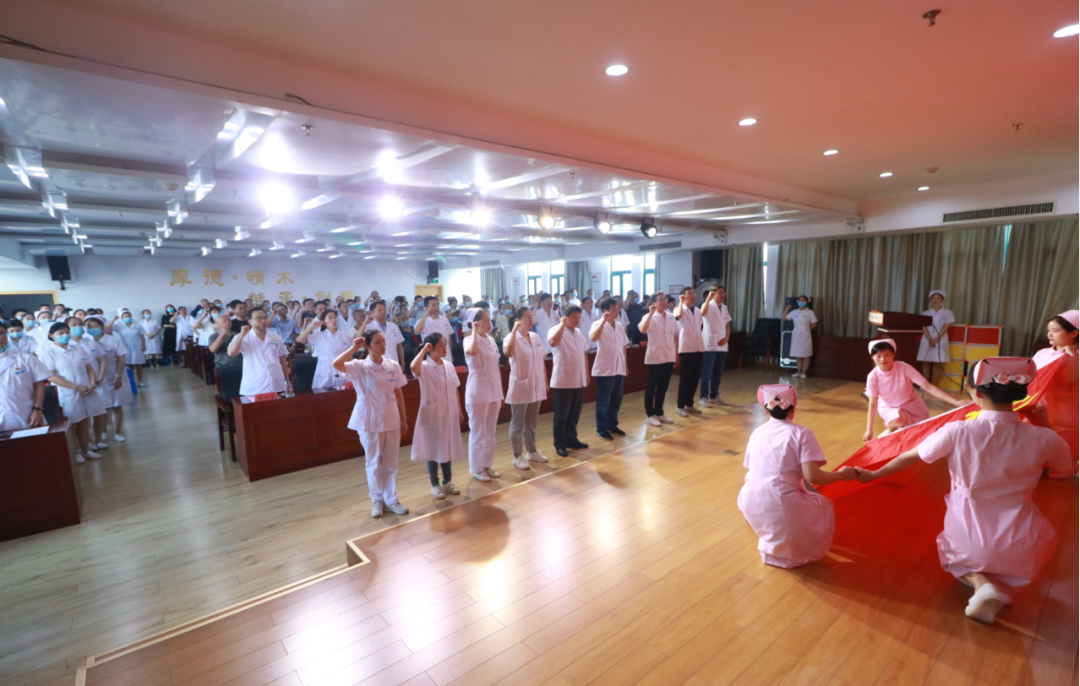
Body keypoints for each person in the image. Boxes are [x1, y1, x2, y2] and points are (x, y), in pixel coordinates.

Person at [855, 358, 1076, 623]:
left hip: (969, 532)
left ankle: (982, 583)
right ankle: (997, 585)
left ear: (975, 393)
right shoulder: (1042, 437)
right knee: (1002, 562)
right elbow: (1065, 467)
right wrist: (1044, 424)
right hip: (1025, 542)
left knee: (953, 553)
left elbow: (911, 455)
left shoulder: (958, 430)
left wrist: (875, 474)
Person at [738, 384, 856, 568]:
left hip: (748, 498)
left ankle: (768, 530)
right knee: (823, 505)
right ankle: (794, 543)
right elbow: (813, 477)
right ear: (793, 410)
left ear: (766, 410)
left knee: (778, 510)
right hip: (779, 499)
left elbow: (752, 467)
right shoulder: (802, 433)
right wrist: (842, 475)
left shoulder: (757, 432)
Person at [332, 329, 410, 518]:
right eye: (377, 342)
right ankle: (377, 500)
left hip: (391, 417)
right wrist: (354, 348)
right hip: (369, 419)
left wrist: (404, 418)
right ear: (367, 345)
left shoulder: (392, 365)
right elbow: (336, 364)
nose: (383, 345)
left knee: (390, 462)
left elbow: (398, 393)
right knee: (374, 461)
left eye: (383, 341)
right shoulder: (359, 366)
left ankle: (391, 499)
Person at [863, 339, 967, 441]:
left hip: (912, 404)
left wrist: (956, 402)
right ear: (872, 357)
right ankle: (890, 429)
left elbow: (928, 387)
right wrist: (869, 429)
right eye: (878, 356)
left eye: (887, 355)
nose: (882, 359)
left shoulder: (904, 368)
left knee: (920, 435)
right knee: (899, 419)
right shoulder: (873, 376)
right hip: (889, 406)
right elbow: (873, 403)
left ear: (893, 355)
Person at [39, 322, 103, 464]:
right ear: (51, 335)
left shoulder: (78, 348)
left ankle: (86, 450)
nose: (65, 335)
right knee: (71, 424)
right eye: (60, 333)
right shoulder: (48, 353)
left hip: (87, 389)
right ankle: (76, 452)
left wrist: (92, 384)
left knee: (84, 421)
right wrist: (76, 387)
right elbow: (51, 376)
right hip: (67, 393)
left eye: (67, 332)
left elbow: (89, 368)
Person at [410, 333, 464, 499]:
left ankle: (447, 481)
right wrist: (423, 351)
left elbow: (455, 389)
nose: (444, 347)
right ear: (431, 347)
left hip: (449, 412)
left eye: (445, 344)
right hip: (433, 413)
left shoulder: (448, 365)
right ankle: (435, 484)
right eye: (441, 345)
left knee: (447, 446)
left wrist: (459, 410)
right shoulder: (425, 366)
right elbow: (413, 367)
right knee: (433, 449)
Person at [1027, 310, 1079, 459]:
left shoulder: (1077, 355)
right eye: (1048, 331)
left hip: (1066, 411)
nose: (1050, 335)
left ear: (1073, 333)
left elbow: (1072, 379)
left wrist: (1073, 355)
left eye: (1055, 331)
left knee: (1062, 446)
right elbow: (1030, 375)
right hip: (1039, 403)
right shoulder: (1043, 353)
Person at [504, 307, 549, 470]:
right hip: (520, 386)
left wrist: (544, 380)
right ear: (517, 320)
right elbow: (508, 353)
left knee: (531, 422)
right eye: (526, 317)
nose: (531, 320)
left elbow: (541, 359)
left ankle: (532, 451)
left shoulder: (535, 337)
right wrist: (514, 330)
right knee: (518, 423)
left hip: (536, 385)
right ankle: (517, 455)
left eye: (531, 316)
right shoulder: (510, 337)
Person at [462, 309, 504, 481]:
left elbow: (496, 366)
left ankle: (487, 465)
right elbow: (472, 352)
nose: (489, 324)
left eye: (489, 320)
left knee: (490, 431)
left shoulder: (491, 340)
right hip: (478, 389)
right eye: (485, 321)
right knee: (478, 431)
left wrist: (500, 393)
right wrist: (473, 331)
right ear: (476, 323)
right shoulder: (468, 340)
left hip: (494, 388)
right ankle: (477, 469)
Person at [548, 304, 589, 457]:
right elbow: (553, 343)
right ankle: (560, 443)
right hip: (563, 379)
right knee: (561, 415)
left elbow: (583, 353)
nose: (577, 320)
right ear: (565, 317)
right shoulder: (555, 330)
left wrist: (586, 373)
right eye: (574, 318)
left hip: (578, 378)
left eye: (579, 317)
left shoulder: (578, 332)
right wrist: (562, 325)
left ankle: (572, 439)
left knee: (574, 413)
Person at [86, 316, 132, 445]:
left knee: (117, 405)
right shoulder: (86, 342)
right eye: (89, 327)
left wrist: (118, 376)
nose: (92, 329)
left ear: (102, 327)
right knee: (102, 407)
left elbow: (121, 359)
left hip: (114, 376)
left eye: (95, 326)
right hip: (96, 379)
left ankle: (117, 432)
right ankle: (103, 432)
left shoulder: (113, 340)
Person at [0, 320, 50, 432]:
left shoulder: (25, 358)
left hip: (26, 413)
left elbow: (38, 385)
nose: (0, 337)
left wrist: (37, 410)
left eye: (2, 333)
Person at [227, 309, 289, 397]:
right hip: (255, 385)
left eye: (265, 317)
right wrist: (241, 335)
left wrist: (287, 380)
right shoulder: (244, 337)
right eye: (258, 318)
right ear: (250, 321)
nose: (263, 321)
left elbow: (282, 358)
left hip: (277, 382)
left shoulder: (275, 336)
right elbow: (231, 353)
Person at [590, 297, 628, 440]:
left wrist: (625, 364)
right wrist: (603, 322)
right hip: (605, 368)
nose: (617, 310)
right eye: (614, 308)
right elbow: (593, 338)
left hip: (619, 366)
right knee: (603, 401)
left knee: (616, 399)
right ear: (605, 310)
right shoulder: (597, 324)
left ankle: (612, 425)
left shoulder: (619, 325)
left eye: (617, 308)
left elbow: (623, 346)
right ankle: (601, 429)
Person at [638, 293, 677, 427]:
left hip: (668, 355)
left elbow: (674, 335)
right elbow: (643, 330)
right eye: (661, 300)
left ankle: (659, 412)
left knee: (663, 387)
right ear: (654, 303)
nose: (665, 301)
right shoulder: (649, 317)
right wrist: (650, 313)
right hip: (655, 357)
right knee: (651, 387)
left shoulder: (670, 316)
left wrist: (676, 354)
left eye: (665, 299)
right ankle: (650, 415)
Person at [295, 310, 353, 388]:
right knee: (324, 392)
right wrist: (312, 327)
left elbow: (349, 356)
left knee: (344, 391)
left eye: (335, 317)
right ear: (324, 322)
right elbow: (299, 339)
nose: (333, 320)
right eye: (330, 318)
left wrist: (351, 370)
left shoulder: (345, 336)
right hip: (325, 369)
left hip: (343, 368)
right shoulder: (318, 336)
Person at [673, 287, 705, 417]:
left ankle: (689, 404)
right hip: (686, 347)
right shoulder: (678, 308)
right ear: (683, 296)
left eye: (693, 293)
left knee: (695, 377)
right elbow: (678, 316)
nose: (693, 296)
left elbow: (700, 326)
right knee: (685, 378)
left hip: (698, 347)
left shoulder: (697, 310)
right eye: (689, 294)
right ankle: (680, 406)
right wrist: (680, 302)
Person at [699, 286, 732, 407]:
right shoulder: (708, 305)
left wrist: (727, 338)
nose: (723, 295)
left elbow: (727, 324)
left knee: (718, 372)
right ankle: (703, 397)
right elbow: (702, 313)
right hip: (710, 344)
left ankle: (714, 395)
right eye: (720, 293)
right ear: (713, 294)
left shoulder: (724, 307)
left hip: (722, 344)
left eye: (724, 292)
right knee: (706, 372)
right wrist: (708, 299)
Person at [917, 290, 955, 381]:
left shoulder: (948, 313)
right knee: (926, 362)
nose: (935, 300)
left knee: (938, 363)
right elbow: (924, 327)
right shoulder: (925, 313)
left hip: (941, 339)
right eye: (933, 298)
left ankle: (934, 386)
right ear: (930, 301)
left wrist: (936, 339)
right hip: (927, 339)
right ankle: (926, 386)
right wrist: (930, 339)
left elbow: (946, 327)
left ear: (942, 300)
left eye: (938, 298)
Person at [782, 296, 817, 379]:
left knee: (806, 355)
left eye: (803, 300)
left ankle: (804, 372)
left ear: (807, 302)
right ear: (797, 302)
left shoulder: (810, 312)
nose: (801, 302)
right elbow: (784, 318)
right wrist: (787, 309)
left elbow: (814, 324)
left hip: (805, 336)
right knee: (798, 355)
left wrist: (806, 330)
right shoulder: (794, 312)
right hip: (796, 336)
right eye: (799, 300)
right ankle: (798, 372)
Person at [113, 310, 147, 387]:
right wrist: (114, 319)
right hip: (125, 348)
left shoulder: (137, 325)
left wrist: (144, 345)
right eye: (126, 316)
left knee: (139, 365)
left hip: (137, 347)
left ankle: (140, 381)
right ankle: (132, 382)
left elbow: (142, 336)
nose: (128, 317)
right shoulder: (119, 326)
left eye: (129, 316)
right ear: (122, 318)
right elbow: (108, 328)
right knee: (129, 365)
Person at [370, 301, 407, 372]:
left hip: (394, 362)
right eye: (379, 310)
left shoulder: (394, 327)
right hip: (377, 364)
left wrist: (402, 363)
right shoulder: (369, 328)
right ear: (372, 313)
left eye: (384, 309)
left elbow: (399, 346)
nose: (383, 312)